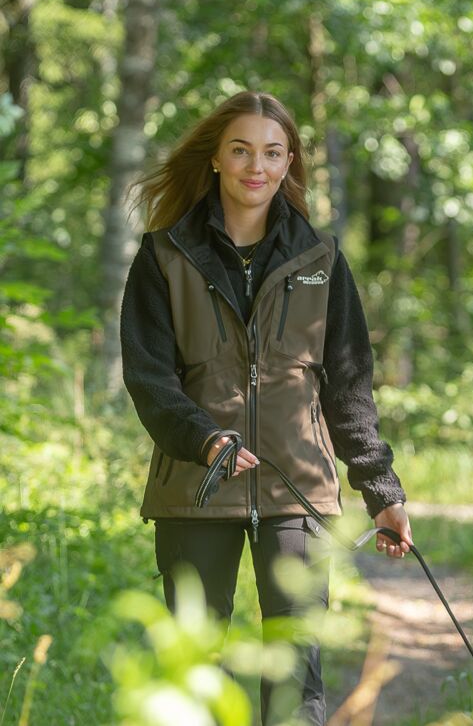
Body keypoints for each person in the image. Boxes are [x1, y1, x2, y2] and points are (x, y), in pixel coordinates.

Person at [119, 90, 412, 725]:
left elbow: (349, 387)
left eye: (273, 153)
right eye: (242, 150)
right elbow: (149, 378)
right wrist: (205, 440)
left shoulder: (322, 259)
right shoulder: (163, 256)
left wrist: (380, 487)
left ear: (289, 164)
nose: (258, 166)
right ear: (217, 160)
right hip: (198, 484)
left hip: (297, 486)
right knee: (195, 668)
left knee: (294, 669)